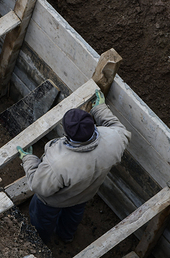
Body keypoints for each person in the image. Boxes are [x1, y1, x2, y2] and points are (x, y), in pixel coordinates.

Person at [18, 90, 131, 243]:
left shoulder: (58, 162)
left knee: (42, 220)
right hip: (84, 194)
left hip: (53, 202)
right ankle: (66, 236)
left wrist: (28, 159)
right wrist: (100, 109)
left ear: (66, 133)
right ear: (92, 124)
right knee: (73, 215)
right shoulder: (115, 138)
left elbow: (39, 187)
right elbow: (117, 127)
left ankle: (40, 243)